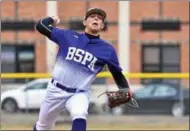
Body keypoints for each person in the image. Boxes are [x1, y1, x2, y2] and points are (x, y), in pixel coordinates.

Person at [34, 8, 131, 131]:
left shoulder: (107, 50)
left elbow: (116, 73)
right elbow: (40, 26)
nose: (96, 18)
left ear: (102, 26)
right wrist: (52, 19)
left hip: (78, 93)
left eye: (100, 18)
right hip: (55, 90)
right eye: (92, 16)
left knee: (80, 114)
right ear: (84, 22)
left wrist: (125, 89)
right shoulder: (67, 36)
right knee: (43, 127)